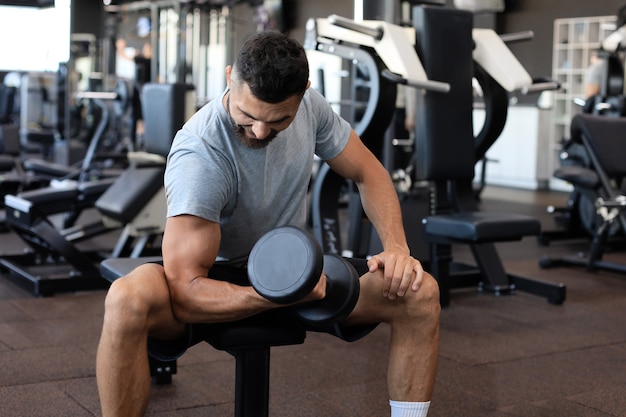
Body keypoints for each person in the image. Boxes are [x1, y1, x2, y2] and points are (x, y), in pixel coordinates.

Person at [96, 30, 441, 417]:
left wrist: (396, 247)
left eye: (279, 120)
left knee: (419, 292)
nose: (260, 131)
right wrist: (278, 294)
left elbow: (369, 173)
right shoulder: (200, 154)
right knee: (127, 299)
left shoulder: (311, 106)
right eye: (248, 115)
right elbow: (185, 291)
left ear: (304, 92)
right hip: (216, 280)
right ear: (230, 77)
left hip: (293, 269)